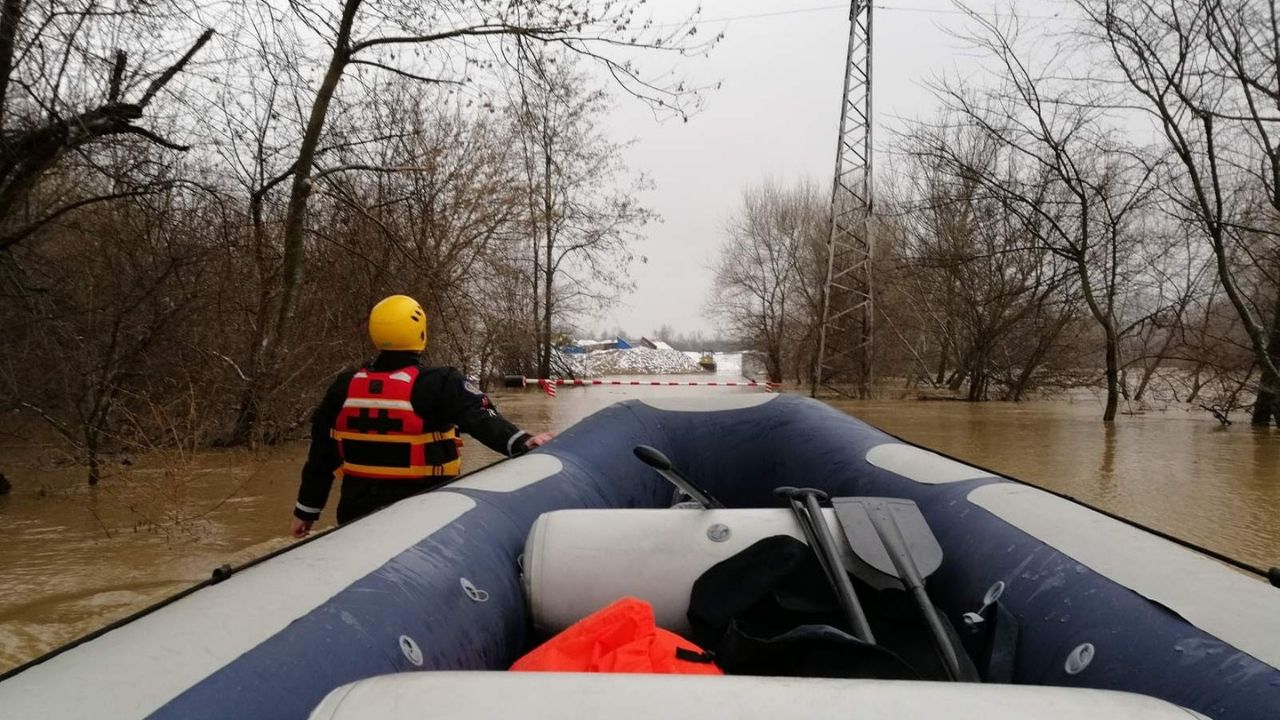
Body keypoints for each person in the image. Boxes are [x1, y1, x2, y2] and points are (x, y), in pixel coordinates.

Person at [290, 294, 554, 537]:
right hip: (425, 514)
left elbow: (321, 455)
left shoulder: (344, 386)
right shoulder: (440, 382)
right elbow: (481, 419)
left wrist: (306, 510)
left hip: (356, 515)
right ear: (420, 333)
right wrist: (523, 441)